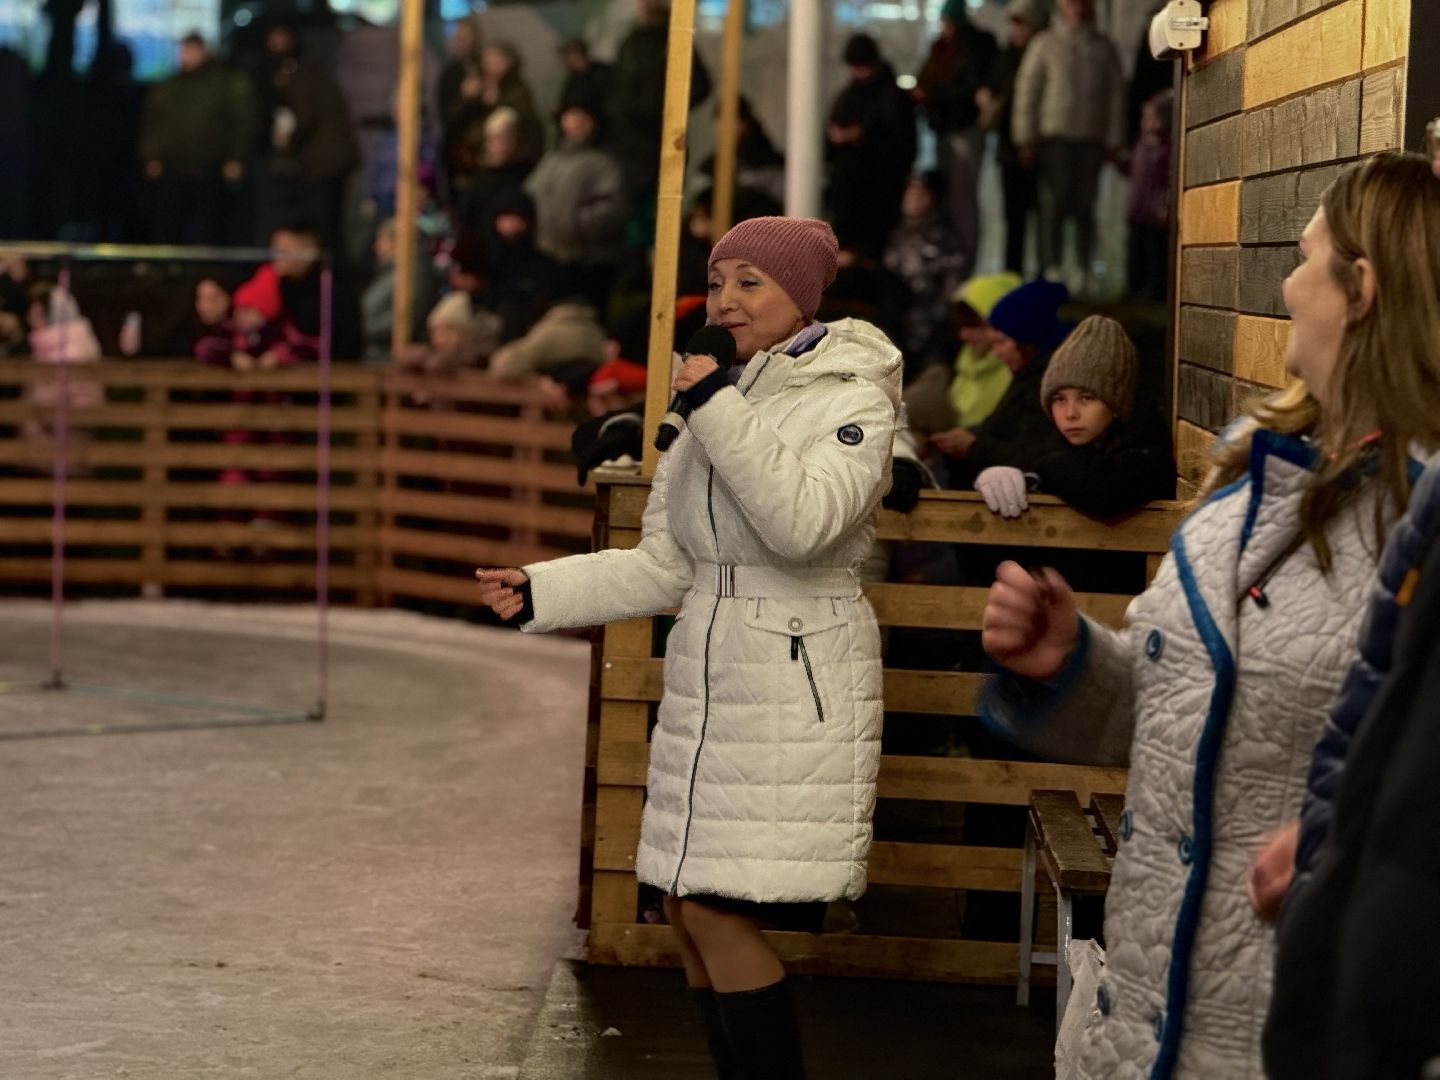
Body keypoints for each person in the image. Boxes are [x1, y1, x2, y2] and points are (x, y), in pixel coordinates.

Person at [977, 152, 1440, 1079]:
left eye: (1308, 257)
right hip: (1143, 1011)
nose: (1285, 281)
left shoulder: (1425, 519)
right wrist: (1075, 662)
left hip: (1279, 1025)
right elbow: (1192, 715)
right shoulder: (1245, 472)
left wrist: (1346, 846)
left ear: (1362, 288)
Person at [476, 217, 901, 1078]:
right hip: (713, 675)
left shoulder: (853, 396)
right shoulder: (724, 395)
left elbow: (803, 526)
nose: (727, 301)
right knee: (683, 907)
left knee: (712, 911)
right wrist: (546, 588)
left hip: (793, 675)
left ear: (802, 295)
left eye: (750, 281)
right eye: (719, 283)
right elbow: (670, 562)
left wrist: (714, 406)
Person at [973, 315, 1175, 518]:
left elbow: (1104, 491)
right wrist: (1009, 477)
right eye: (1059, 399)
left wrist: (1036, 470)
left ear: (1116, 403)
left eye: (1087, 398)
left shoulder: (1146, 442)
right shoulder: (1061, 440)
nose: (1070, 414)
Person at [1011, 0, 1124, 292]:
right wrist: (1025, 136)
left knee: (1085, 204)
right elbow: (1028, 89)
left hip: (1090, 136)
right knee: (1054, 203)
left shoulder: (1102, 47)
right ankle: (1052, 267)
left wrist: (1113, 137)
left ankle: (1084, 267)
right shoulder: (1045, 43)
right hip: (1054, 136)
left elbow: (1115, 94)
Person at [930, 277, 1069, 487]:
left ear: (1027, 340)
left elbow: (1035, 453)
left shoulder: (1047, 385)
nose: (997, 352)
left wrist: (973, 446)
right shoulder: (1025, 375)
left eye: (1002, 342)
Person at [138, 32, 255, 245]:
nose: (186, 55)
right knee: (168, 226)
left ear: (204, 51)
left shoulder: (225, 83)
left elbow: (242, 123)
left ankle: (209, 273)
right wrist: (151, 156)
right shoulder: (169, 86)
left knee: (212, 228)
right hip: (173, 168)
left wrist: (236, 157)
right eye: (183, 50)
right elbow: (152, 123)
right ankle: (167, 272)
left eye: (191, 49)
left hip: (211, 168)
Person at [913, 0, 996, 275]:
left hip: (962, 130)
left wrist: (934, 96)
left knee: (962, 201)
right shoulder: (943, 48)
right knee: (952, 199)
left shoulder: (971, 47)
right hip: (946, 130)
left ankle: (964, 263)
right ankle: (955, 261)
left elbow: (968, 89)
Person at [523, 100, 627, 311]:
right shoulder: (551, 159)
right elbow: (529, 196)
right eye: (571, 117)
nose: (576, 124)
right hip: (550, 257)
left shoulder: (603, 163)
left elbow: (612, 207)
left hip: (588, 262)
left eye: (583, 118)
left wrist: (577, 225)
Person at [606, 0, 712, 206]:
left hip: (663, 138)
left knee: (663, 207)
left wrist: (669, 109)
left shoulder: (674, 38)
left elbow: (701, 85)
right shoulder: (630, 41)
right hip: (627, 141)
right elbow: (617, 88)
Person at [826, 34, 917, 260]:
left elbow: (903, 147)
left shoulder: (892, 98)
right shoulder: (848, 97)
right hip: (848, 196)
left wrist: (862, 137)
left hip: (880, 196)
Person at [982, 0, 1044, 275]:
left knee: (1042, 213)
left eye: (1022, 25)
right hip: (1008, 148)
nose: (1017, 31)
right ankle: (1012, 272)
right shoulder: (1006, 56)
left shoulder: (1043, 53)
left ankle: (1042, 273)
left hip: (1038, 146)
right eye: (1014, 25)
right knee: (1013, 216)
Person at [883, 171, 967, 367]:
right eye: (910, 194)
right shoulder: (896, 235)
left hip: (930, 328)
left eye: (921, 194)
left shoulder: (945, 238)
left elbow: (952, 288)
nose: (914, 200)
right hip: (897, 327)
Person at [1125, 90, 1174, 302]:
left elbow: (1165, 181)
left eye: (1151, 118)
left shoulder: (1166, 148)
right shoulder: (1142, 145)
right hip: (1138, 210)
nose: (1145, 122)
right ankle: (1134, 288)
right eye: (1144, 118)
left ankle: (1154, 290)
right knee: (1136, 251)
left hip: (1154, 212)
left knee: (1154, 253)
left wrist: (1164, 206)